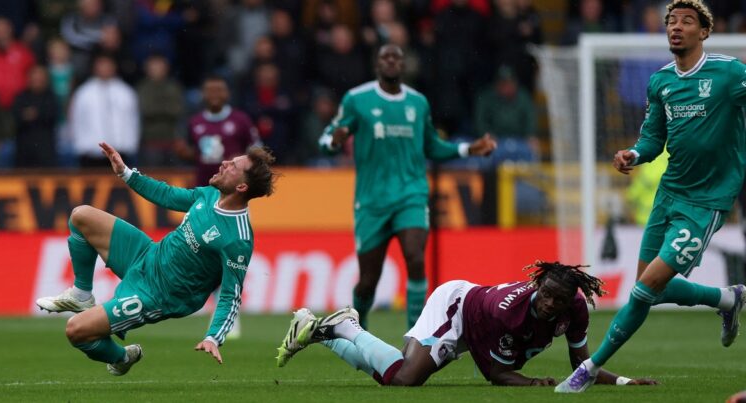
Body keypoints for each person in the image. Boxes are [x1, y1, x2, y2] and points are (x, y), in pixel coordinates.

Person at [557, 0, 746, 393]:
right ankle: (727, 299)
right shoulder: (660, 81)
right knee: (648, 287)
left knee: (645, 288)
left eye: (687, 21)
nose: (676, 27)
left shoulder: (729, 73)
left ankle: (589, 368)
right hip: (669, 194)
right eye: (671, 21)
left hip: (706, 201)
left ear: (705, 31)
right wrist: (635, 154)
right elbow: (653, 138)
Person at [35, 141, 277, 375]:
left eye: (234, 166)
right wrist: (126, 173)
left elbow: (230, 296)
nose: (224, 163)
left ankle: (122, 358)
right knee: (81, 216)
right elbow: (168, 196)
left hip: (158, 295)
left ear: (242, 187)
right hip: (147, 255)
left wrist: (214, 336)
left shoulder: (237, 239)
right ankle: (81, 294)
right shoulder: (210, 194)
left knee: (76, 330)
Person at [316, 44, 496, 331]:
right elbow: (325, 140)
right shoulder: (357, 99)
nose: (390, 61)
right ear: (377, 64)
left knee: (414, 257)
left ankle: (416, 334)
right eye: (385, 57)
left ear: (403, 65)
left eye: (396, 57)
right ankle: (357, 331)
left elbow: (432, 146)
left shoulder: (418, 103)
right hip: (372, 200)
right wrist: (334, 142)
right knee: (367, 281)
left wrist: (467, 149)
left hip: (411, 194)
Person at [276, 261, 658, 388]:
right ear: (538, 286)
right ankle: (348, 327)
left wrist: (624, 382)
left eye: (558, 300)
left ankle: (327, 333)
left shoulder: (575, 308)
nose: (549, 304)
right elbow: (494, 373)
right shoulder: (510, 313)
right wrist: (530, 383)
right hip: (457, 307)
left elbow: (581, 364)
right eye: (546, 295)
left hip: (477, 319)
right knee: (406, 378)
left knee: (389, 375)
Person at [177, 75, 261, 187]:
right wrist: (184, 153)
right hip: (204, 185)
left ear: (227, 93)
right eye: (210, 91)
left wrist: (241, 158)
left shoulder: (241, 119)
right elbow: (191, 151)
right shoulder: (194, 122)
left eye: (219, 90)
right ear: (203, 94)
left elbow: (257, 149)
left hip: (233, 186)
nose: (214, 94)